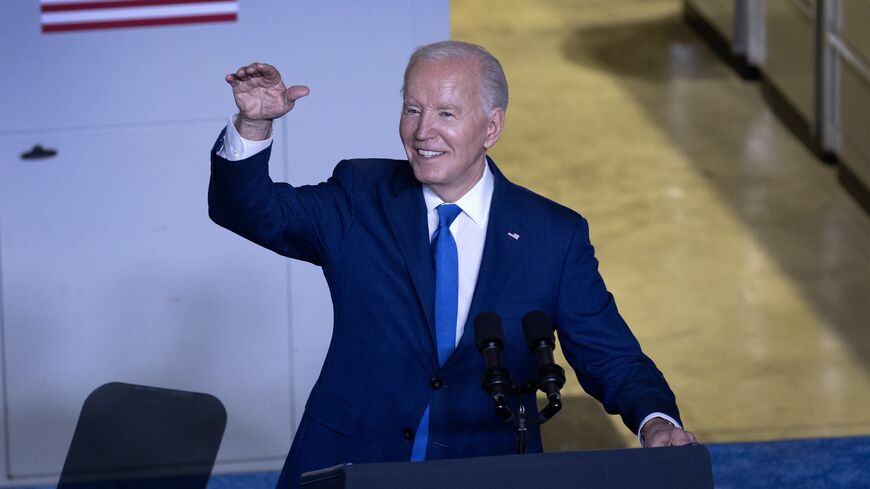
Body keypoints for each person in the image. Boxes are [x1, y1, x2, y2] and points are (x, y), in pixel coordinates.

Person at [209, 40, 696, 489]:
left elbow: (610, 355)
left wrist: (656, 421)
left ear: (491, 127)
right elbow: (249, 211)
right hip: (353, 462)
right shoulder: (361, 194)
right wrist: (254, 125)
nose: (423, 132)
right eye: (412, 110)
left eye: (446, 113)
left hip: (485, 469)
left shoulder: (553, 235)